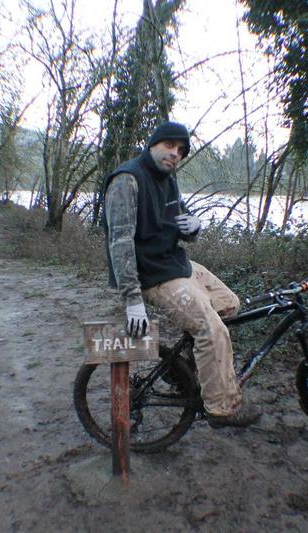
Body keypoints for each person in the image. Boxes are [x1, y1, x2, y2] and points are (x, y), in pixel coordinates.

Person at [102, 121, 261, 428]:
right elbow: (119, 245)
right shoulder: (127, 180)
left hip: (176, 264)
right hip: (151, 274)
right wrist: (132, 299)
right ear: (153, 144)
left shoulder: (168, 180)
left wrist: (194, 228)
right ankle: (221, 408)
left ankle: (179, 369)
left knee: (229, 305)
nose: (175, 154)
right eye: (169, 146)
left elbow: (179, 221)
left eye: (181, 150)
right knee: (212, 330)